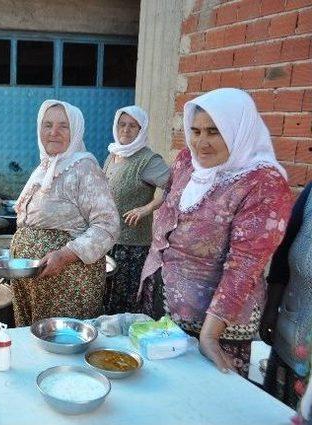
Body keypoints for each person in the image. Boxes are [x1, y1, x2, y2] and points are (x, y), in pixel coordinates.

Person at [139, 88, 293, 378]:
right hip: (163, 306)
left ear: (238, 130)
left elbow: (245, 265)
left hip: (213, 327)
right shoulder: (187, 161)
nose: (201, 143)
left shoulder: (263, 184)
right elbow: (170, 206)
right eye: (195, 131)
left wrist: (209, 336)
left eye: (214, 131)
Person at [11, 100, 120, 326]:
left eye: (63, 126)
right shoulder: (45, 167)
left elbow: (107, 226)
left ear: (76, 130)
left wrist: (64, 255)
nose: (54, 132)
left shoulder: (84, 168)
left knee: (60, 347)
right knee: (34, 344)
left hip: (68, 282)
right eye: (47, 125)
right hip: (34, 281)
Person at [103, 106, 170, 314]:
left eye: (133, 126)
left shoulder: (148, 160)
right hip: (107, 240)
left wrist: (147, 208)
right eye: (122, 124)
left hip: (131, 245)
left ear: (141, 130)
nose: (126, 129)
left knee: (125, 302)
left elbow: (174, 185)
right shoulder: (113, 154)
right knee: (105, 297)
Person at [261, 181, 312, 408]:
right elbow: (283, 252)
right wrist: (271, 309)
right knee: (278, 411)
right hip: (292, 335)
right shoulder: (310, 193)